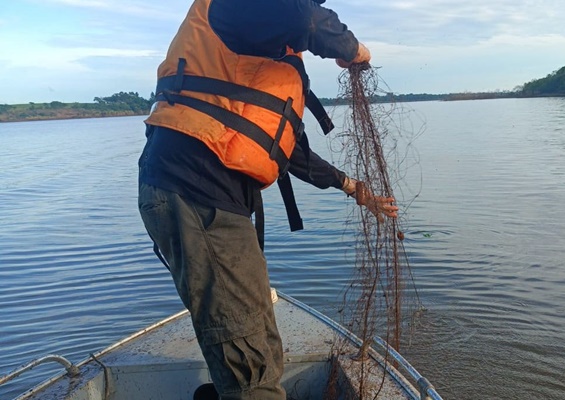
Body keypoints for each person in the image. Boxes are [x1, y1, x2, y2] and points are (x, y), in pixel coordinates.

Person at [137, 0, 398, 399]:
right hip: (193, 190)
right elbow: (306, 19)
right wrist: (353, 48)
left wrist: (356, 190)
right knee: (248, 361)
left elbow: (291, 153)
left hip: (216, 203)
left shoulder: (267, 47)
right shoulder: (237, 6)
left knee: (260, 339)